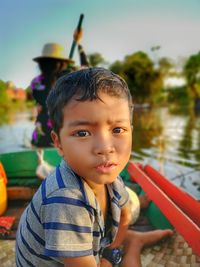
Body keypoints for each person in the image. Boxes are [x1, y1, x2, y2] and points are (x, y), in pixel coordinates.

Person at [16, 68, 173, 267]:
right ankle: (134, 243)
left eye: (118, 130)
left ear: (131, 132)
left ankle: (130, 240)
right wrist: (110, 259)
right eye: (82, 133)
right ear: (58, 143)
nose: (105, 148)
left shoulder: (109, 175)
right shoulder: (66, 199)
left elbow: (124, 213)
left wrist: (112, 250)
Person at [31, 31, 89, 147]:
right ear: (62, 63)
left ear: (42, 63)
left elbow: (40, 104)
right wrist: (79, 44)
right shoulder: (69, 78)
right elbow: (87, 70)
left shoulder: (36, 82)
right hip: (63, 134)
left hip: (41, 134)